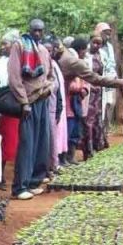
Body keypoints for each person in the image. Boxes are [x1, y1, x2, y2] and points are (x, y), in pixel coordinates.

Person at [58, 37, 123, 162]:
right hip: (67, 101)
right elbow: (95, 79)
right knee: (68, 129)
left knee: (74, 128)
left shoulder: (68, 55)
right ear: (81, 50)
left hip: (74, 100)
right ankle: (63, 159)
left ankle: (69, 157)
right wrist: (119, 82)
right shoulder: (74, 61)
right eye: (85, 50)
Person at [8, 19, 55, 201]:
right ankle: (20, 186)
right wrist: (23, 101)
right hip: (28, 101)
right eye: (35, 30)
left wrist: (48, 88)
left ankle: (35, 181)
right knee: (27, 143)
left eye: (40, 31)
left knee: (42, 142)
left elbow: (50, 75)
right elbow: (14, 77)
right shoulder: (20, 46)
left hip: (42, 100)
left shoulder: (43, 50)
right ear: (29, 30)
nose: (37, 33)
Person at [0, 30, 19, 188]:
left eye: (6, 44)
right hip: (5, 105)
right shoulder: (0, 63)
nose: (3, 47)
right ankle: (0, 176)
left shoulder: (21, 60)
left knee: (18, 142)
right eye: (2, 44)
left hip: (19, 104)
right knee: (6, 142)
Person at [83, 35, 108, 158]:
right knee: (89, 120)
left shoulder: (102, 55)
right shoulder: (85, 55)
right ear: (90, 42)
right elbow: (82, 74)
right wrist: (89, 86)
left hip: (99, 91)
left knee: (98, 117)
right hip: (88, 92)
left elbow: (105, 72)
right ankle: (88, 149)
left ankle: (99, 145)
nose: (96, 46)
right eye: (94, 43)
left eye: (99, 43)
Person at [45, 39, 68, 171]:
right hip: (47, 107)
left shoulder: (54, 65)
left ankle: (53, 165)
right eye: (46, 50)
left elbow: (58, 88)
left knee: (53, 139)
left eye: (50, 50)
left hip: (55, 107)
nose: (49, 53)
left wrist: (59, 106)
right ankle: (48, 168)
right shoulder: (43, 66)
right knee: (48, 140)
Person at [94, 22, 118, 138]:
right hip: (99, 79)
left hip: (110, 77)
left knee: (110, 103)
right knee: (101, 104)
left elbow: (112, 63)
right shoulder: (94, 47)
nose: (107, 37)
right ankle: (99, 130)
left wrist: (113, 75)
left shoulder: (110, 47)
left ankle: (106, 128)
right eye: (105, 33)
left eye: (109, 34)